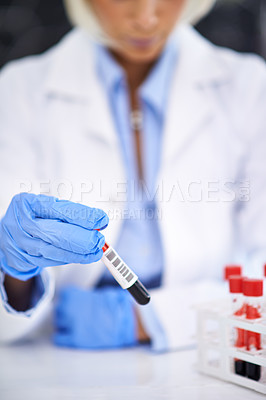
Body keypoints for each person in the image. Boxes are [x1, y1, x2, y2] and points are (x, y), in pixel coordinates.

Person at [0, 0, 265, 352]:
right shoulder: (21, 90)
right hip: (60, 356)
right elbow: (13, 299)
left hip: (206, 354)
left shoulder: (249, 86)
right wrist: (17, 273)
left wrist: (154, 319)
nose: (146, 18)